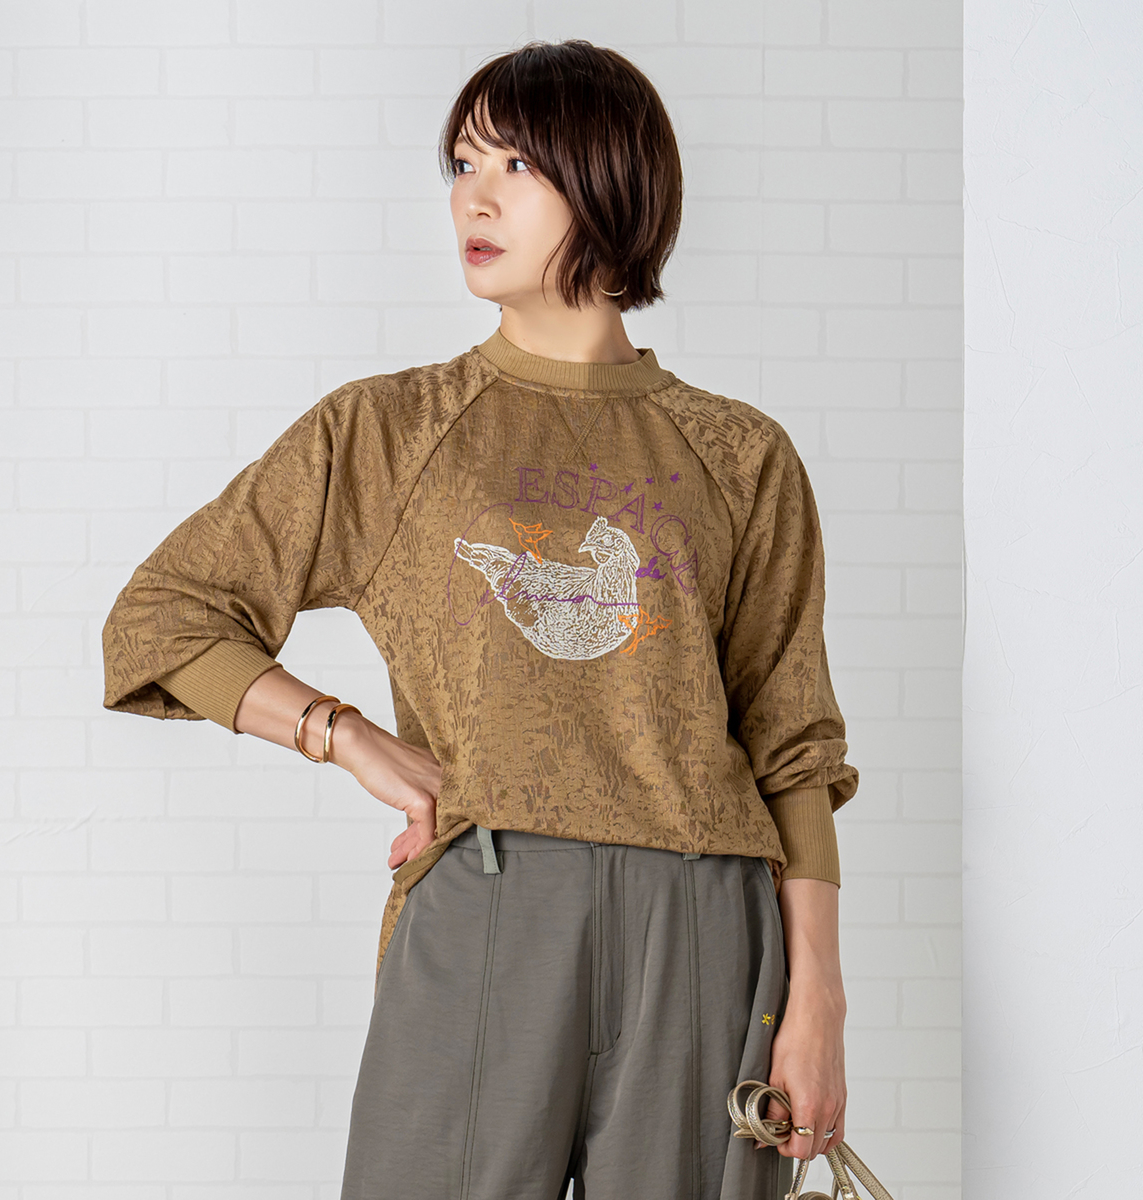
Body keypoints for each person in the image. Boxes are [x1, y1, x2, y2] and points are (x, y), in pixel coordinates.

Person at [102, 39, 858, 1200]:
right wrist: (343, 733)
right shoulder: (393, 430)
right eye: (461, 163)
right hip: (489, 892)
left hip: (705, 918)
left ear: (612, 180)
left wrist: (820, 1005)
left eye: (518, 163)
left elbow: (791, 744)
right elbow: (163, 615)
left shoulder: (740, 454)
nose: (476, 195)